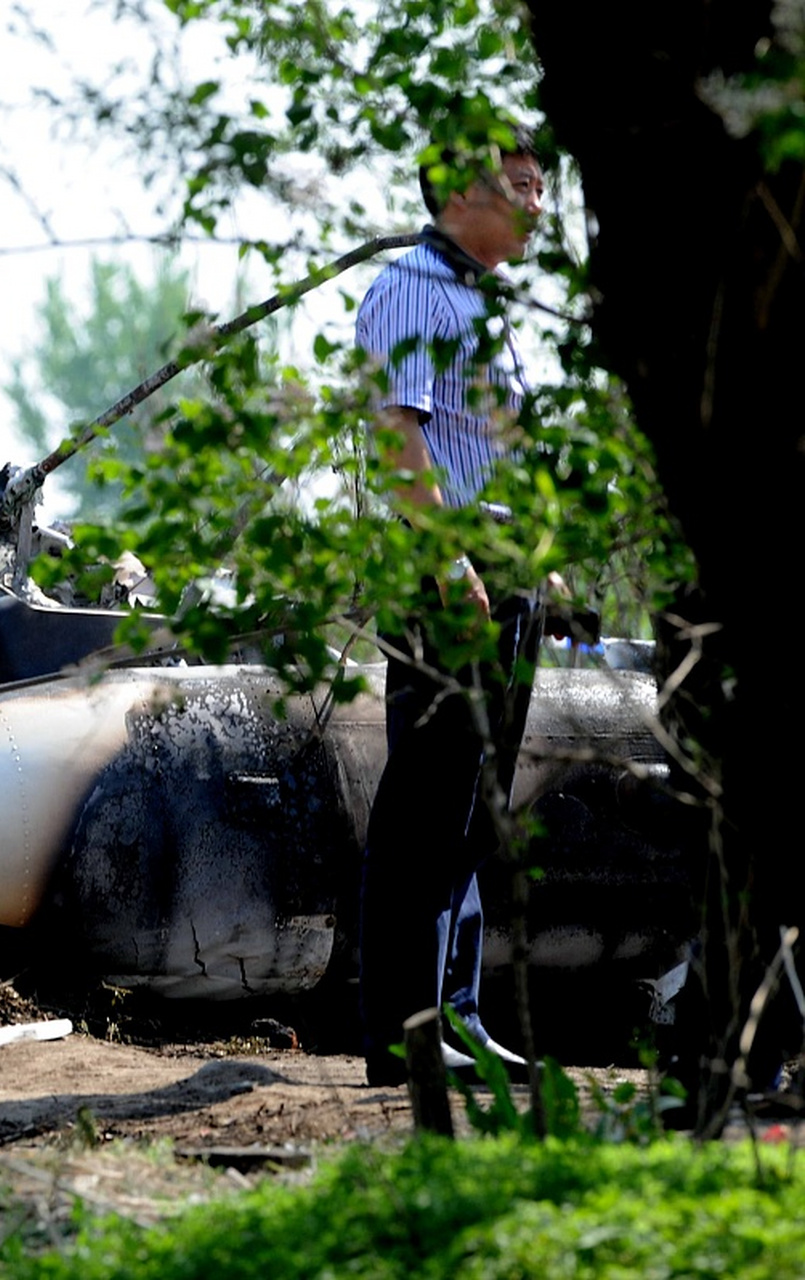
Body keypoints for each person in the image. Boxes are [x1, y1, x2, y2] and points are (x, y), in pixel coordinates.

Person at [356, 126, 548, 1087]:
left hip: (504, 574)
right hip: (447, 580)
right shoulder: (410, 291)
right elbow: (399, 437)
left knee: (472, 807)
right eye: (518, 183)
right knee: (426, 803)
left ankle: (457, 1019)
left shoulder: (481, 297)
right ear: (460, 192)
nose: (537, 201)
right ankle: (404, 1032)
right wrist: (450, 566)